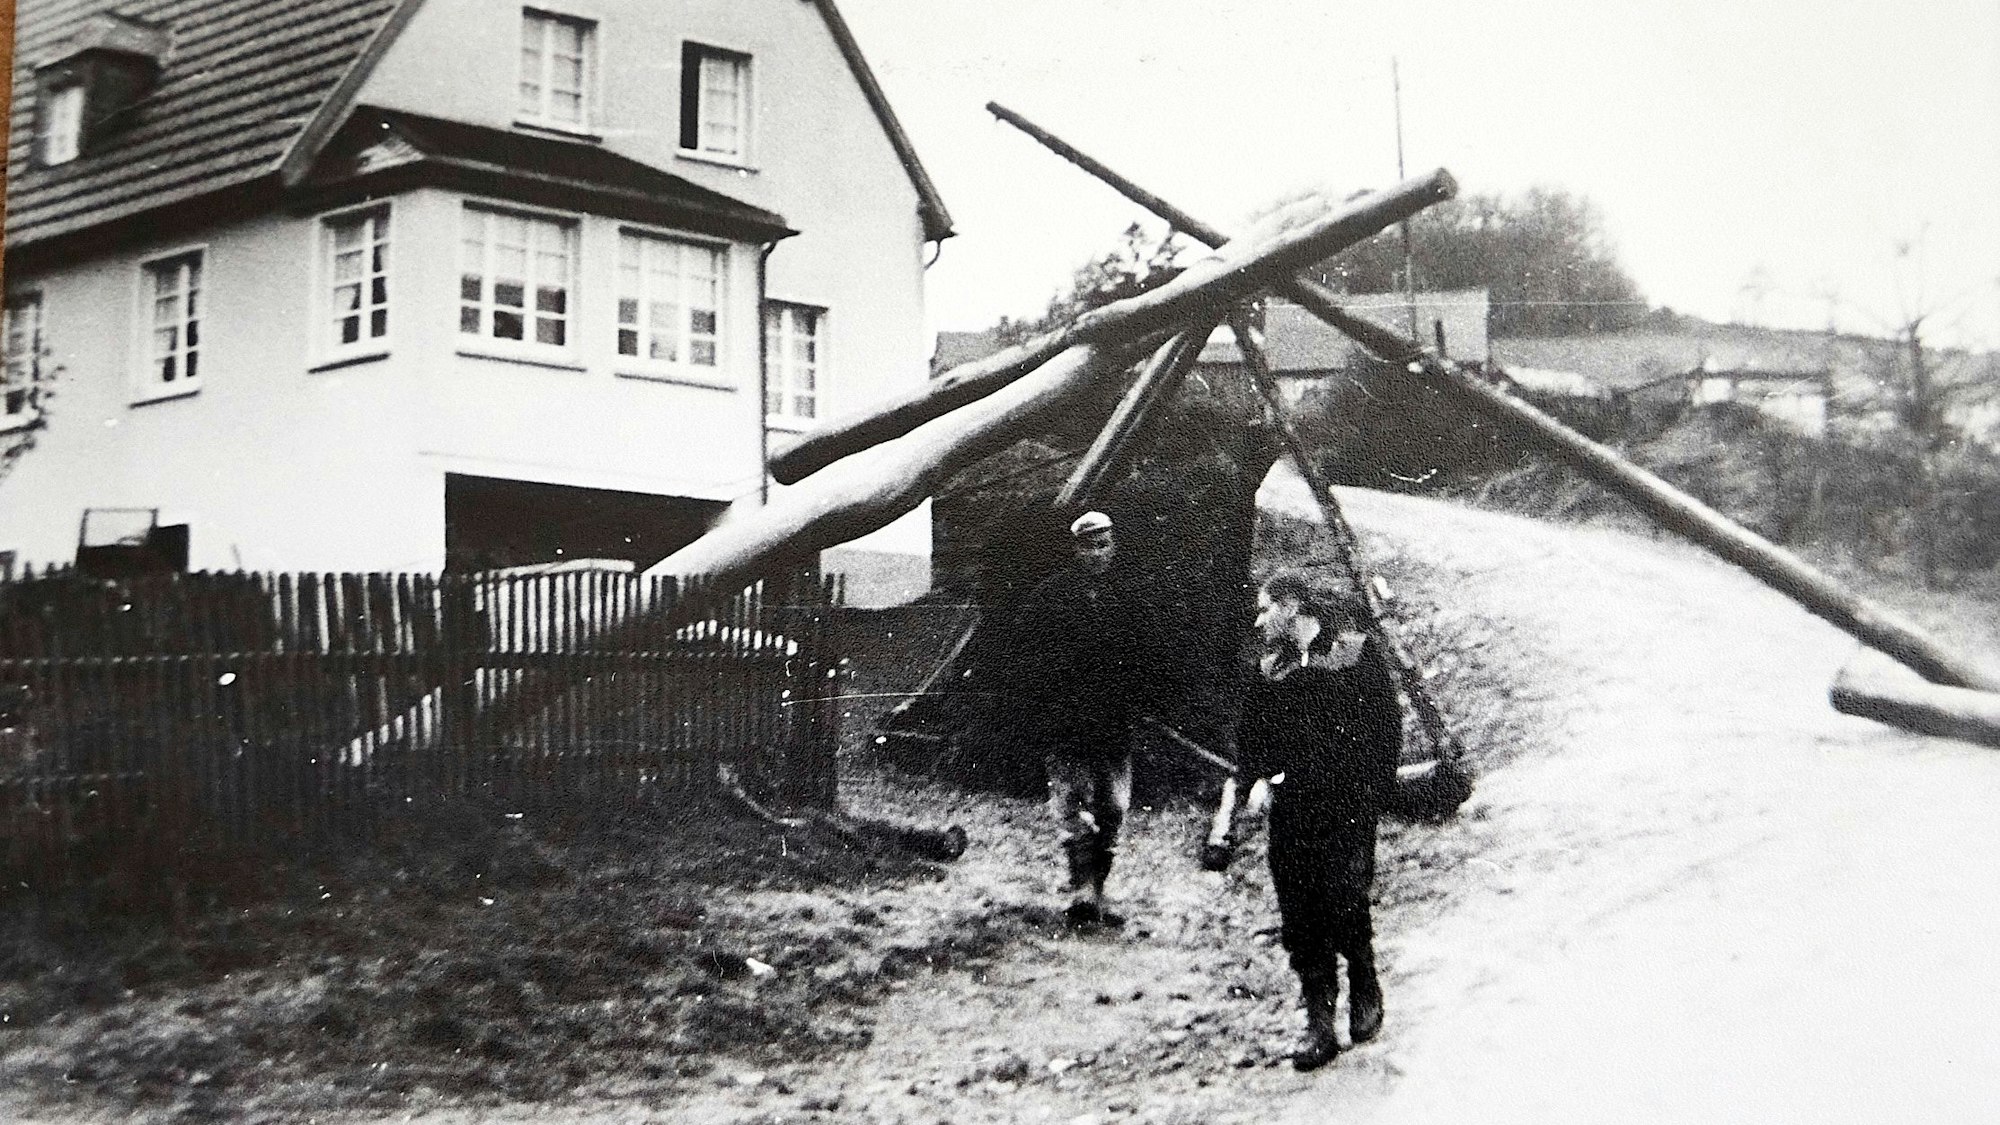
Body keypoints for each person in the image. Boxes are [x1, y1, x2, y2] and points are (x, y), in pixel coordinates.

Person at [1234, 572, 1402, 1070]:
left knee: (1345, 897)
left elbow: (1384, 729)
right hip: (1295, 807)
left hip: (1349, 806)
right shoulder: (1270, 670)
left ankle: (1364, 980)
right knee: (1300, 911)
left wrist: (1371, 795)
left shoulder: (1353, 654)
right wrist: (1259, 779)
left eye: (1266, 609)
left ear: (1291, 607)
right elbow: (1253, 737)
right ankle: (1319, 1021)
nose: (1260, 621)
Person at [1010, 510, 1148, 929]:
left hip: (1112, 723)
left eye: (1104, 545)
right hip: (1065, 722)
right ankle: (1081, 888)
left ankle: (1099, 889)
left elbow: (1146, 659)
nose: (1097, 554)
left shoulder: (1129, 597)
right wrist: (1048, 692)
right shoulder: (1050, 596)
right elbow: (1024, 655)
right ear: (1075, 549)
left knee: (1113, 808)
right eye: (1089, 546)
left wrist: (1136, 699)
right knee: (1069, 807)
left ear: (1114, 547)